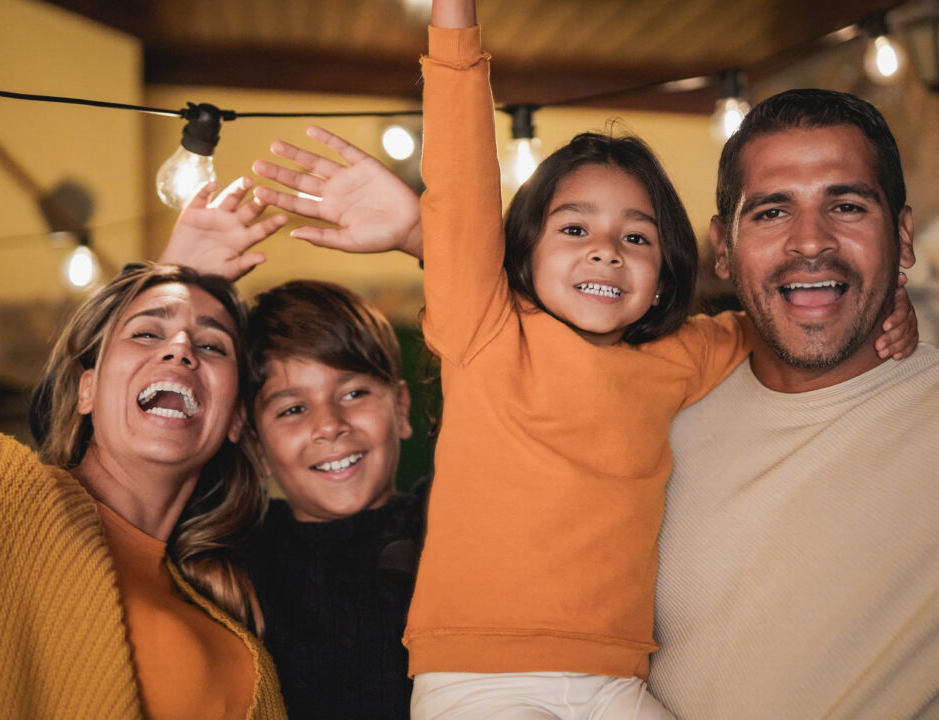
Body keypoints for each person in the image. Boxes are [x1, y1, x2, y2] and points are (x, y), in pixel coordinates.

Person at [249, 1, 915, 717]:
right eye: (574, 228)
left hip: (615, 681)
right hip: (481, 677)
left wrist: (887, 302)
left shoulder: (685, 352)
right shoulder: (487, 330)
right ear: (523, 254)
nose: (606, 248)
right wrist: (454, 27)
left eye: (637, 237)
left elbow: (789, 312)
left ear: (665, 271)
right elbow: (465, 181)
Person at [646, 89, 939, 720]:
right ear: (722, 249)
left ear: (902, 236)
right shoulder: (657, 411)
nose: (811, 242)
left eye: (848, 205)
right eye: (773, 212)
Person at [0, 264, 286, 719]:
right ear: (87, 390)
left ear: (237, 420)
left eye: (210, 345)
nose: (181, 349)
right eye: (145, 334)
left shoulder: (242, 658)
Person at [161, 201, 424, 720]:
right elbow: (93, 436)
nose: (329, 425)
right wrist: (172, 287)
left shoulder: (450, 524)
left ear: (401, 408)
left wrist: (423, 236)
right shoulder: (229, 554)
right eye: (293, 408)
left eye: (353, 394)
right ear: (256, 444)